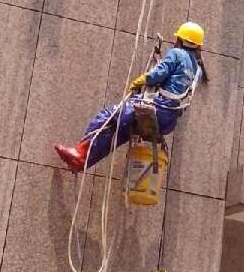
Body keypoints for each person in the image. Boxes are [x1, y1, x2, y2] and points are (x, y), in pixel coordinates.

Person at [54, 22, 206, 172]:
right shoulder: (196, 69)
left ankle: (79, 152)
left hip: (158, 106)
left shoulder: (177, 54)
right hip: (168, 119)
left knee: (108, 115)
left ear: (180, 40)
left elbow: (158, 74)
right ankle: (81, 162)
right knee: (119, 134)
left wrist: (141, 80)